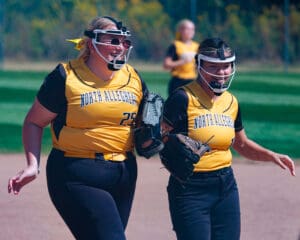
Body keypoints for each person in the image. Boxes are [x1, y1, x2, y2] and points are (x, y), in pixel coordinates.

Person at [8, 16, 158, 240]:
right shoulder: (66, 76)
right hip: (76, 173)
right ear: (91, 43)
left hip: (124, 174)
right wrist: (32, 165)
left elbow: (145, 126)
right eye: (112, 40)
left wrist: (154, 136)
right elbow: (34, 121)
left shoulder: (133, 77)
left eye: (123, 42)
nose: (119, 47)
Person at [160, 37, 296, 240]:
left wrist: (270, 155)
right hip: (190, 188)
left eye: (226, 66)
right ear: (199, 65)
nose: (222, 72)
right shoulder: (182, 98)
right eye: (214, 66)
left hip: (225, 186)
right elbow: (156, 138)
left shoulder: (231, 102)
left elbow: (241, 144)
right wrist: (165, 144)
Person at [163, 19, 199, 96]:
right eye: (188, 29)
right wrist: (183, 61)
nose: (190, 31)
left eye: (192, 29)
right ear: (181, 30)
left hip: (193, 82)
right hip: (178, 82)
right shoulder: (175, 45)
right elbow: (166, 65)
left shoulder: (197, 46)